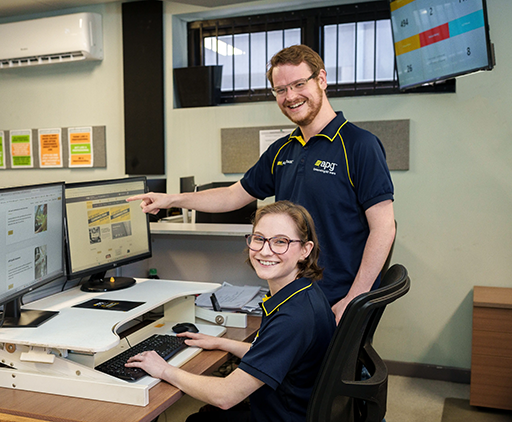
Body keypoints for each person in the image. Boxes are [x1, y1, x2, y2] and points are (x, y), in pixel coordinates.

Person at [127, 44, 395, 323]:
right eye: (281, 90)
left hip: (335, 300)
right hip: (293, 295)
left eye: (299, 84)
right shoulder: (282, 150)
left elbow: (384, 227)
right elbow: (232, 196)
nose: (290, 96)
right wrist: (172, 200)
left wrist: (353, 300)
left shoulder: (359, 145)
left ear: (322, 80)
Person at [126, 201, 336, 422]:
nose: (265, 251)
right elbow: (273, 355)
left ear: (305, 250)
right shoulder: (304, 293)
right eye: (259, 238)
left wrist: (164, 369)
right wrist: (222, 343)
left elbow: (225, 395)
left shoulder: (293, 318)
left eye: (280, 242)